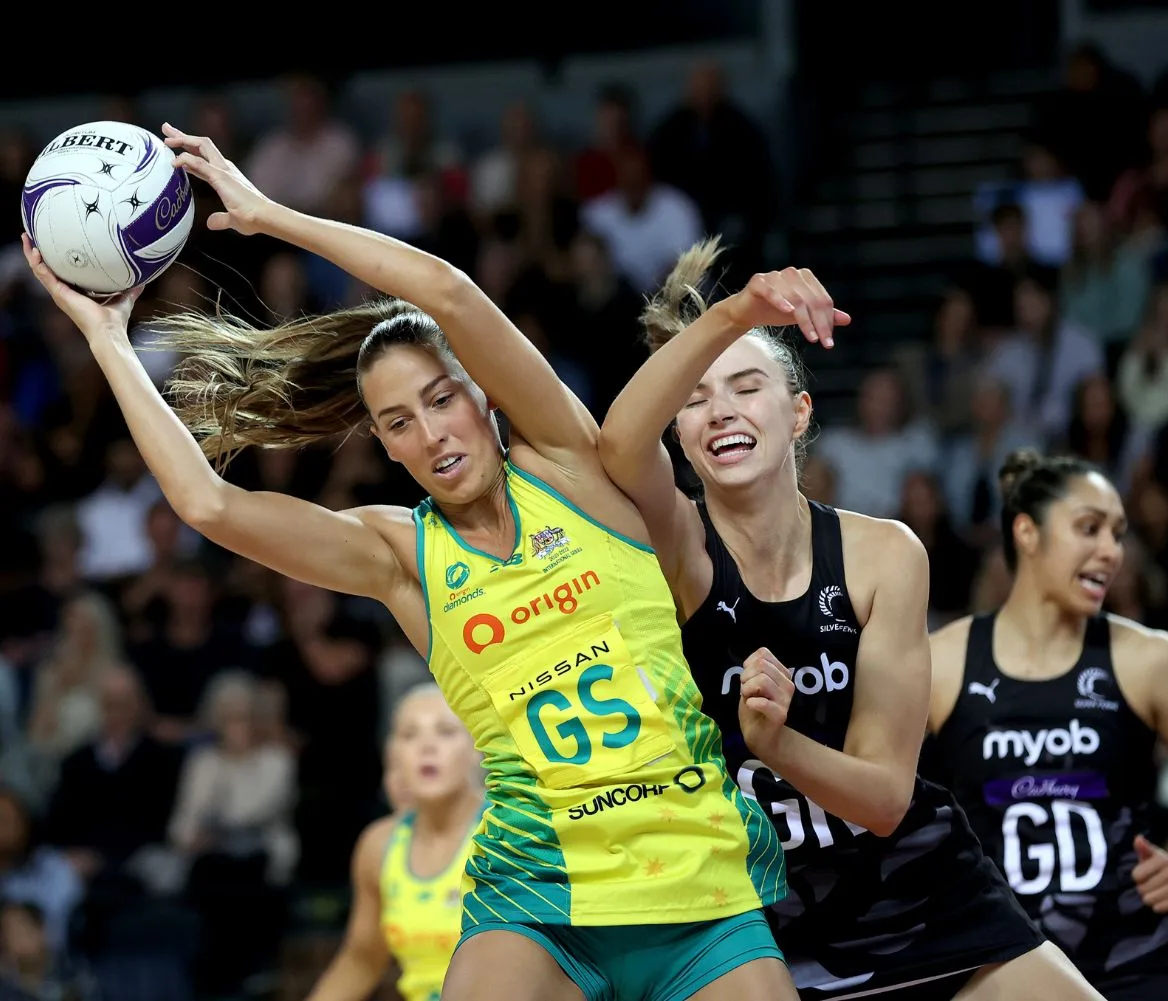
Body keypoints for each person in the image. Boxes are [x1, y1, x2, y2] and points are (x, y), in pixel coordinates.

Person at [18, 124, 800, 1001]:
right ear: (385, 447)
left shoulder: (571, 467)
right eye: (398, 423)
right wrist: (109, 341)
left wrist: (275, 216)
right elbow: (210, 505)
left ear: (483, 396)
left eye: (442, 400)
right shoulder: (399, 553)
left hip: (696, 881)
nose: (431, 434)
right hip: (538, 901)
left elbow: (450, 294)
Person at [595, 238, 1106, 999]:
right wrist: (738, 312)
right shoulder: (679, 547)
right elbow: (615, 441)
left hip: (920, 891)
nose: (721, 410)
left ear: (799, 413)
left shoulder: (884, 554)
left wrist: (776, 741)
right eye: (695, 399)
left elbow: (884, 797)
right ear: (680, 436)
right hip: (752, 913)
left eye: (745, 386)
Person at [925, 450, 1168, 1001]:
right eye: (1089, 528)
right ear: (1027, 532)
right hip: (998, 963)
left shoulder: (1153, 659)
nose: (1112, 552)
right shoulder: (944, 660)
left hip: (1135, 957)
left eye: (1118, 534)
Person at [306, 684, 484, 1001]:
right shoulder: (378, 844)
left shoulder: (505, 830)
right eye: (409, 735)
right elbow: (362, 960)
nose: (426, 747)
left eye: (445, 732)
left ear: (477, 749)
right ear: (393, 755)